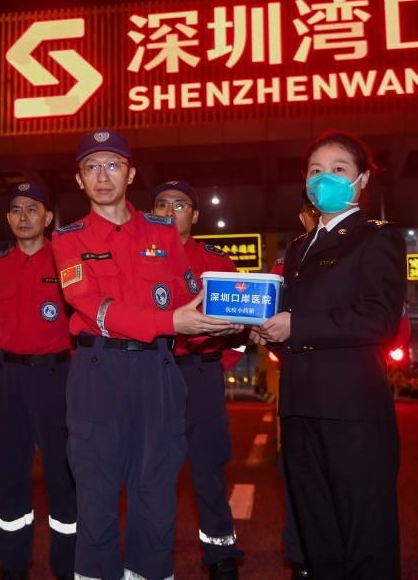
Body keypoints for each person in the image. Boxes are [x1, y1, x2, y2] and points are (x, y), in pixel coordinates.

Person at [51, 130, 242, 580]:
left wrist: (223, 322)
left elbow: (187, 298)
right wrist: (173, 322)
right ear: (79, 179)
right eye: (91, 167)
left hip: (158, 371)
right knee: (96, 496)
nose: (102, 176)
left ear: (131, 173)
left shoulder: (162, 231)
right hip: (98, 373)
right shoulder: (68, 239)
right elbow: (90, 304)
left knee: (156, 496)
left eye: (112, 165)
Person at [252, 131, 406, 580]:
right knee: (317, 532)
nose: (325, 179)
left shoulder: (376, 238)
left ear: (362, 180)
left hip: (352, 410)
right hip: (300, 407)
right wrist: (268, 332)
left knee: (365, 535)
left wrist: (295, 325)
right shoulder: (299, 248)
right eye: (315, 171)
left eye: (338, 169)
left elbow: (378, 319)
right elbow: (295, 324)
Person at [151, 180, 243, 580]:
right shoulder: (140, 259)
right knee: (151, 472)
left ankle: (221, 554)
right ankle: (153, 557)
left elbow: (241, 326)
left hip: (201, 374)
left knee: (208, 470)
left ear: (195, 214)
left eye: (180, 205)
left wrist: (215, 366)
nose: (170, 212)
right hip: (153, 374)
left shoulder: (217, 262)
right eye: (162, 205)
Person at [0, 181, 76, 580]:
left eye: (32, 209)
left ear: (48, 217)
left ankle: (68, 565)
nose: (24, 217)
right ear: (8, 219)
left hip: (57, 379)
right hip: (10, 381)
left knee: (63, 474)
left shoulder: (66, 264)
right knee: (8, 476)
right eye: (16, 210)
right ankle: (13, 564)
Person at [269, 191, 318, 580]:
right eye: (310, 209)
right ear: (302, 217)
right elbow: (268, 323)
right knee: (298, 473)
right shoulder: (284, 264)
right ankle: (302, 562)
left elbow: (390, 325)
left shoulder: (369, 247)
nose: (317, 215)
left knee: (355, 481)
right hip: (299, 380)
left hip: (353, 386)